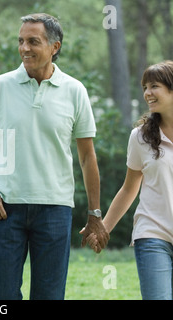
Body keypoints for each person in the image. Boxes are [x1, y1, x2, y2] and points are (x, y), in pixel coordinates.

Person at [0, 13, 109, 300]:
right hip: (5, 208)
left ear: (54, 47)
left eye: (33, 41)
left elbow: (87, 157)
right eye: (21, 41)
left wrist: (95, 214)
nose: (24, 48)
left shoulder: (74, 91)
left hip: (55, 209)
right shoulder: (0, 86)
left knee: (49, 295)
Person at [86, 61, 173, 300]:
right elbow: (129, 188)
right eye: (145, 87)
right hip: (153, 234)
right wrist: (103, 228)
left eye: (154, 86)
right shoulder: (141, 137)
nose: (147, 93)